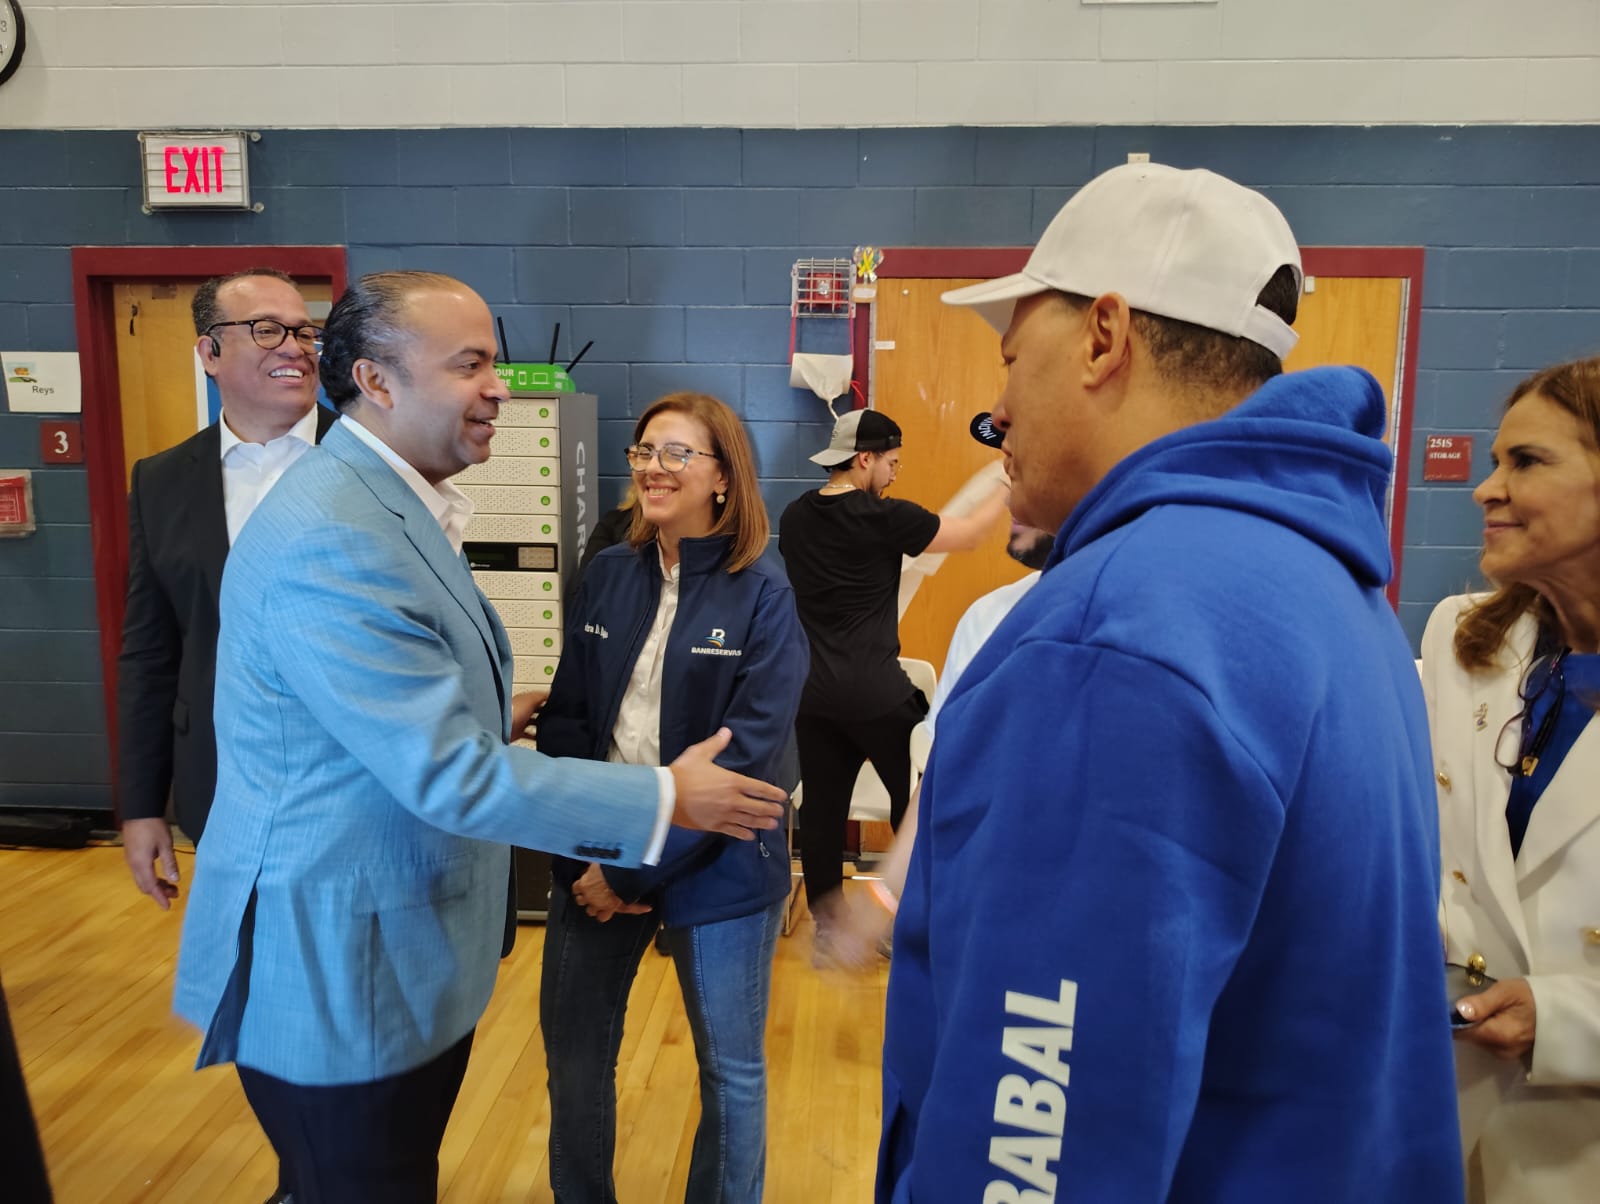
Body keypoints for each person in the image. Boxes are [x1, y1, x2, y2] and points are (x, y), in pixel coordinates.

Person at [877, 163, 1463, 1201]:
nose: (995, 411)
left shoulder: (1122, 627)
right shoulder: (1336, 591)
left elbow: (1039, 1130)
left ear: (1104, 336)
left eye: (1013, 360)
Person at [171, 272, 787, 1204]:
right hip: (341, 970)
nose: (500, 387)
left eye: (492, 362)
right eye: (471, 365)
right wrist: (664, 800)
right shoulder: (336, 534)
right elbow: (449, 775)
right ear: (377, 381)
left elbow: (383, 720)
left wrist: (481, 720)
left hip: (412, 949)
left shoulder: (389, 507)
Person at [538, 391, 808, 1204]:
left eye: (677, 453)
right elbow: (568, 719)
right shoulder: (609, 571)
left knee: (730, 1072)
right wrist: (583, 857)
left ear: (722, 476)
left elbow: (750, 767)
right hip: (598, 850)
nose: (654, 467)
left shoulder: (762, 589)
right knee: (576, 1053)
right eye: (644, 451)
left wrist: (629, 876)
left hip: (719, 862)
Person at [1420, 356, 1600, 1203]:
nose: (1485, 489)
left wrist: (1564, 1021)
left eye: (1525, 462)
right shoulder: (1462, 641)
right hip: (1444, 1112)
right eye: (1493, 461)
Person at [118, 267, 336, 914]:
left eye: (304, 330)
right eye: (267, 330)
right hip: (220, 784)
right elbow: (149, 653)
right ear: (209, 352)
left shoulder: (375, 460)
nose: (294, 347)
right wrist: (139, 805)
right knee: (244, 980)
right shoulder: (160, 482)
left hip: (355, 783)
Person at [778, 408, 1008, 935]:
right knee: (926, 798)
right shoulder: (884, 518)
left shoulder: (793, 516)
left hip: (812, 696)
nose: (896, 473)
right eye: (893, 462)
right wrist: (1004, 475)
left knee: (823, 811)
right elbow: (969, 535)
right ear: (865, 459)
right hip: (878, 696)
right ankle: (918, 916)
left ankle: (829, 926)